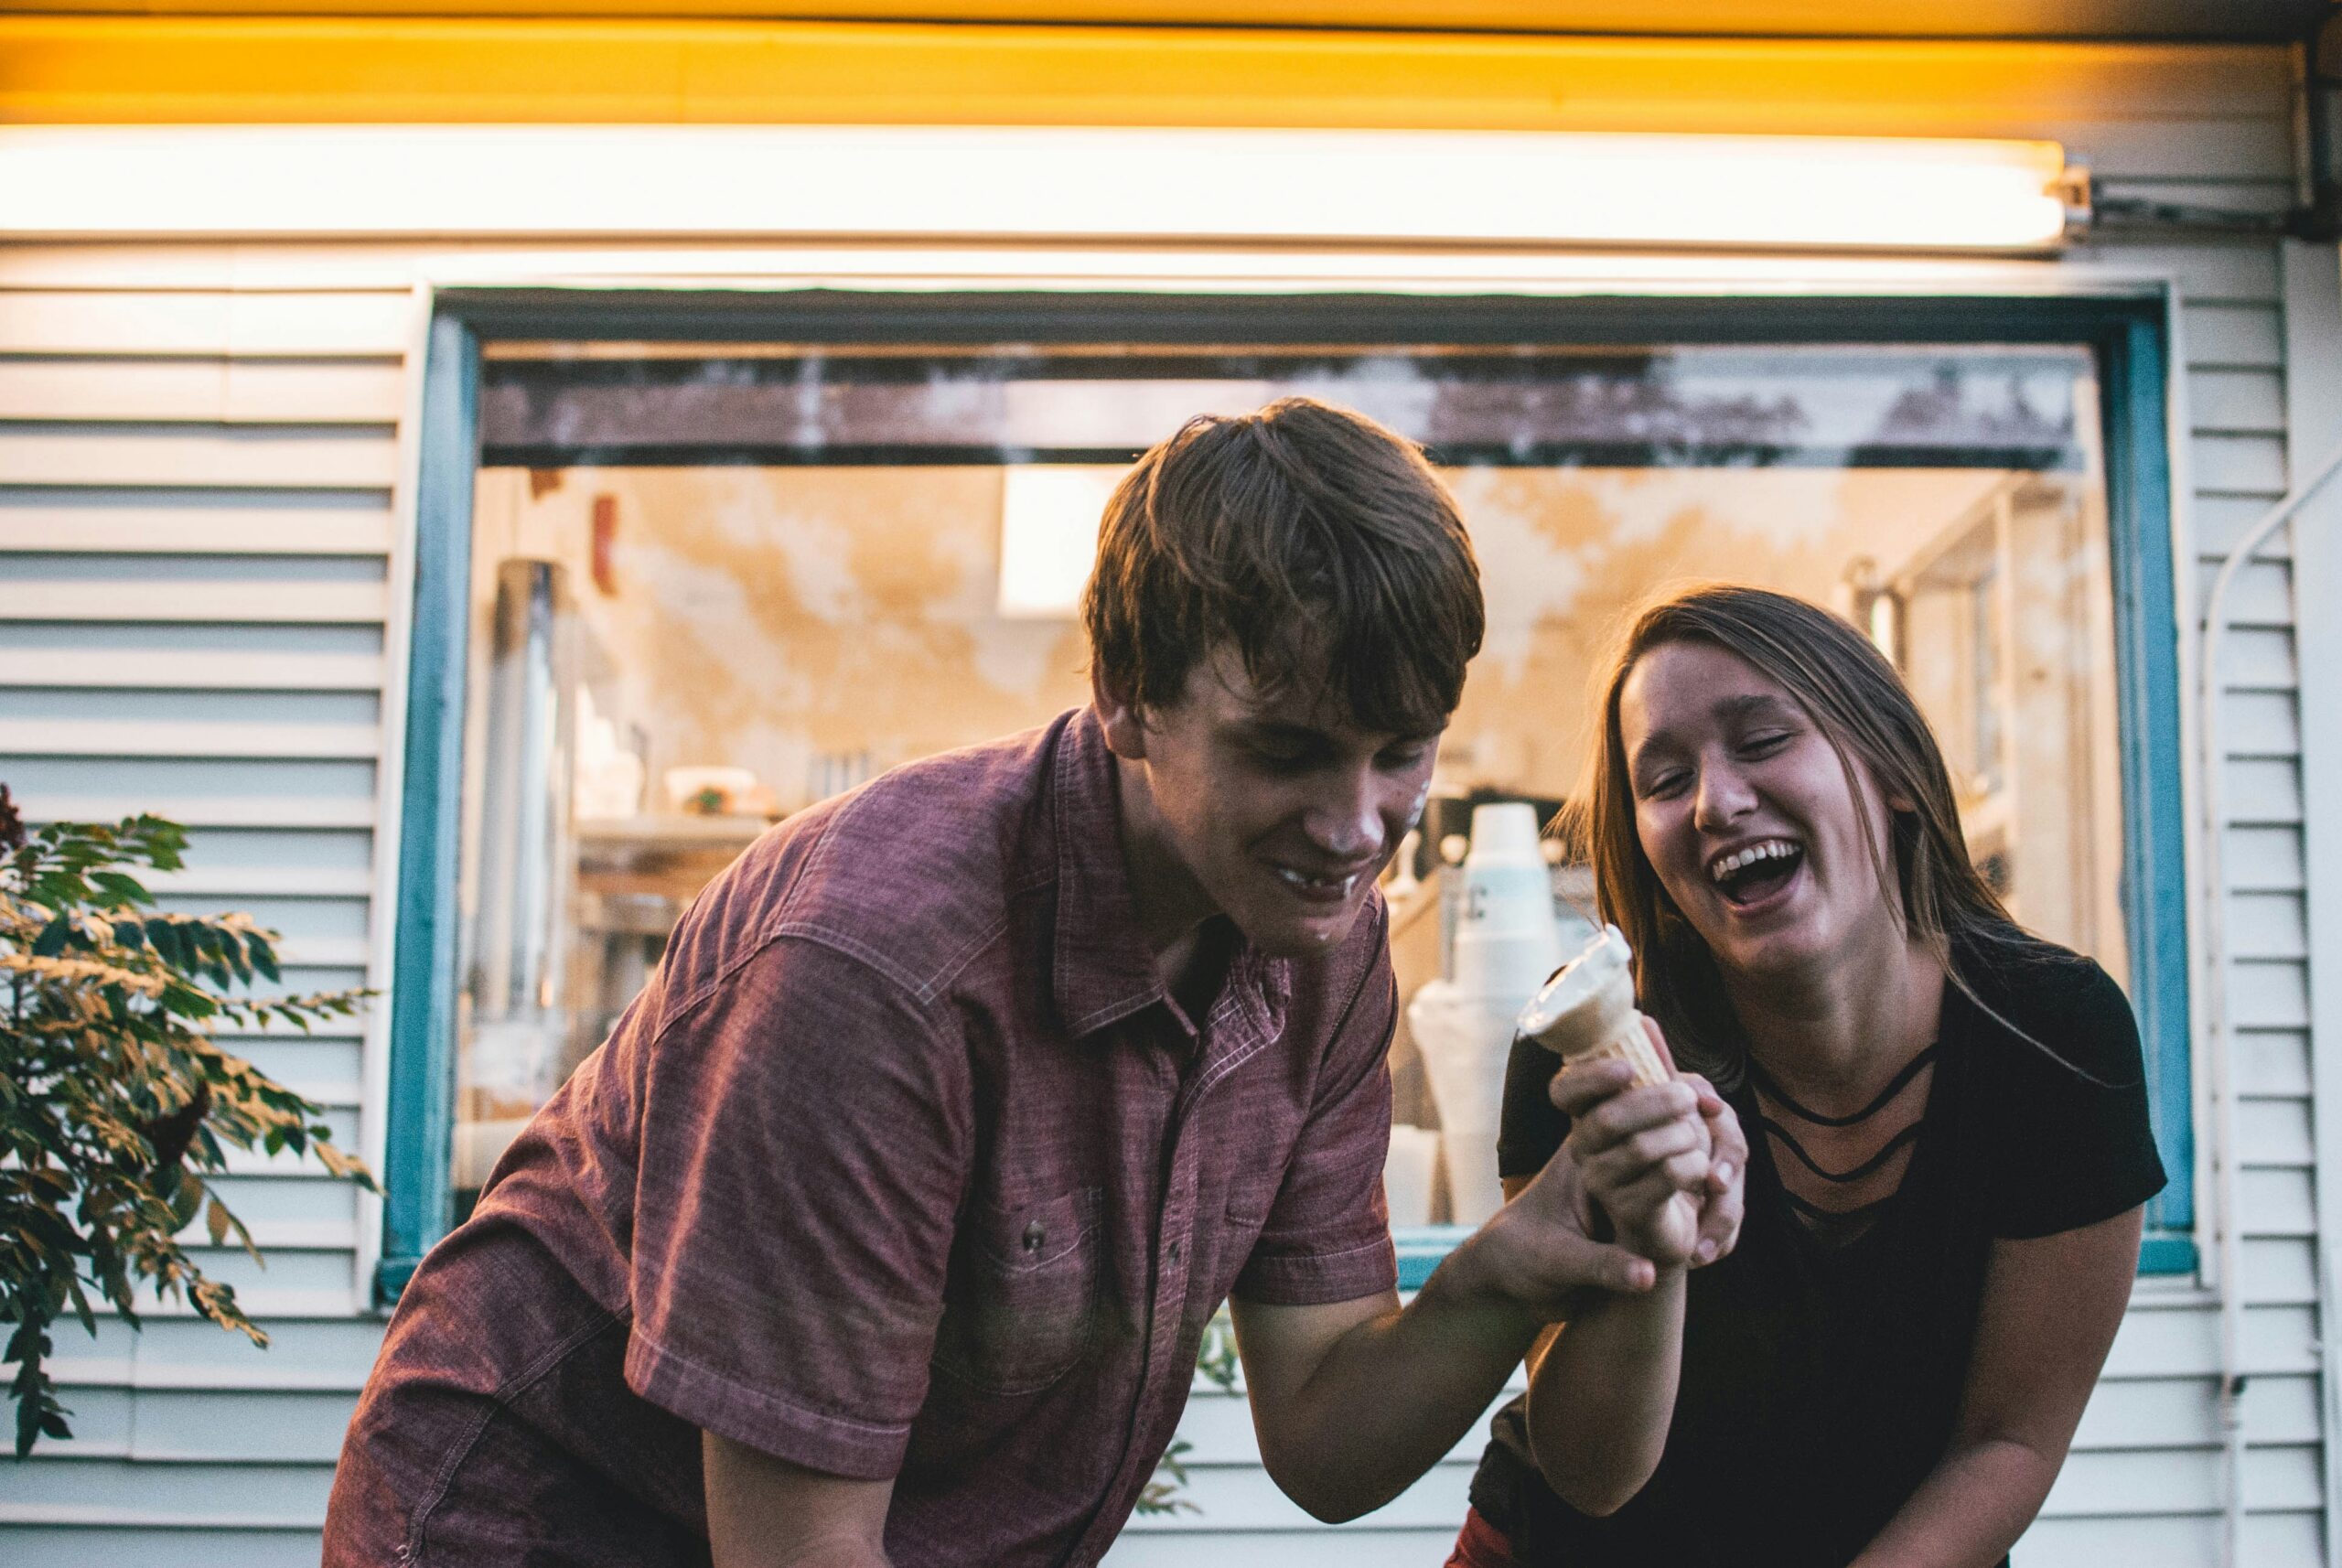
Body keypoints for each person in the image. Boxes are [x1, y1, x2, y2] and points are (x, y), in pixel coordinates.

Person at [323, 398, 1745, 1568]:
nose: (1356, 823)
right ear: (1127, 695)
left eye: (1400, 752)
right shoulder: (875, 972)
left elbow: (1321, 1430)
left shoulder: (1322, 948)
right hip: (537, 1528)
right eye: (1287, 750)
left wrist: (1521, 1257)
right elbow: (801, 1552)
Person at [1450, 583, 2167, 1568]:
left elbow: (2006, 1440)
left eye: (1760, 739)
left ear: (1892, 773)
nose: (1714, 800)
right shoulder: (1594, 1063)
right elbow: (1587, 1468)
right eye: (1663, 779)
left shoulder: (2052, 1036)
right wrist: (1650, 1239)